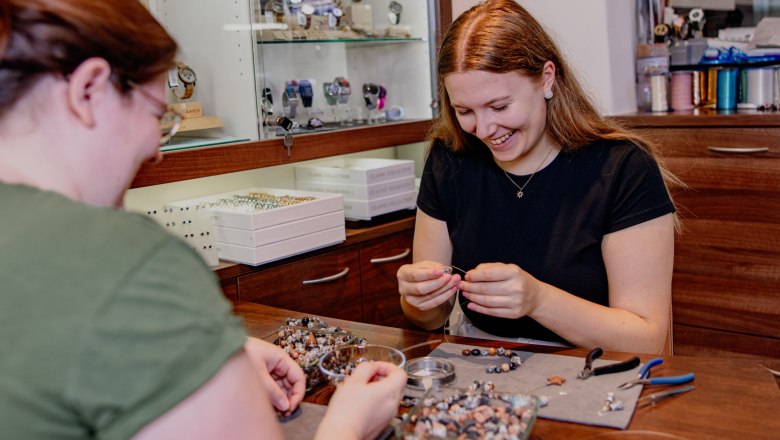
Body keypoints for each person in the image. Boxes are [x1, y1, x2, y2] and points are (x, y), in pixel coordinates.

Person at [0, 1, 405, 439]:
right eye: (158, 116)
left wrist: (198, 352)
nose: (156, 150)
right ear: (89, 91)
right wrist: (348, 423)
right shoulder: (127, 260)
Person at [397, 0, 680, 355]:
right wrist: (418, 299)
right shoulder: (450, 157)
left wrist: (538, 300)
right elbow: (428, 319)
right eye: (464, 111)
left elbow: (647, 340)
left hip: (591, 365)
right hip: (481, 360)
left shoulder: (623, 167)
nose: (483, 129)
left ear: (547, 78)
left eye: (500, 107)